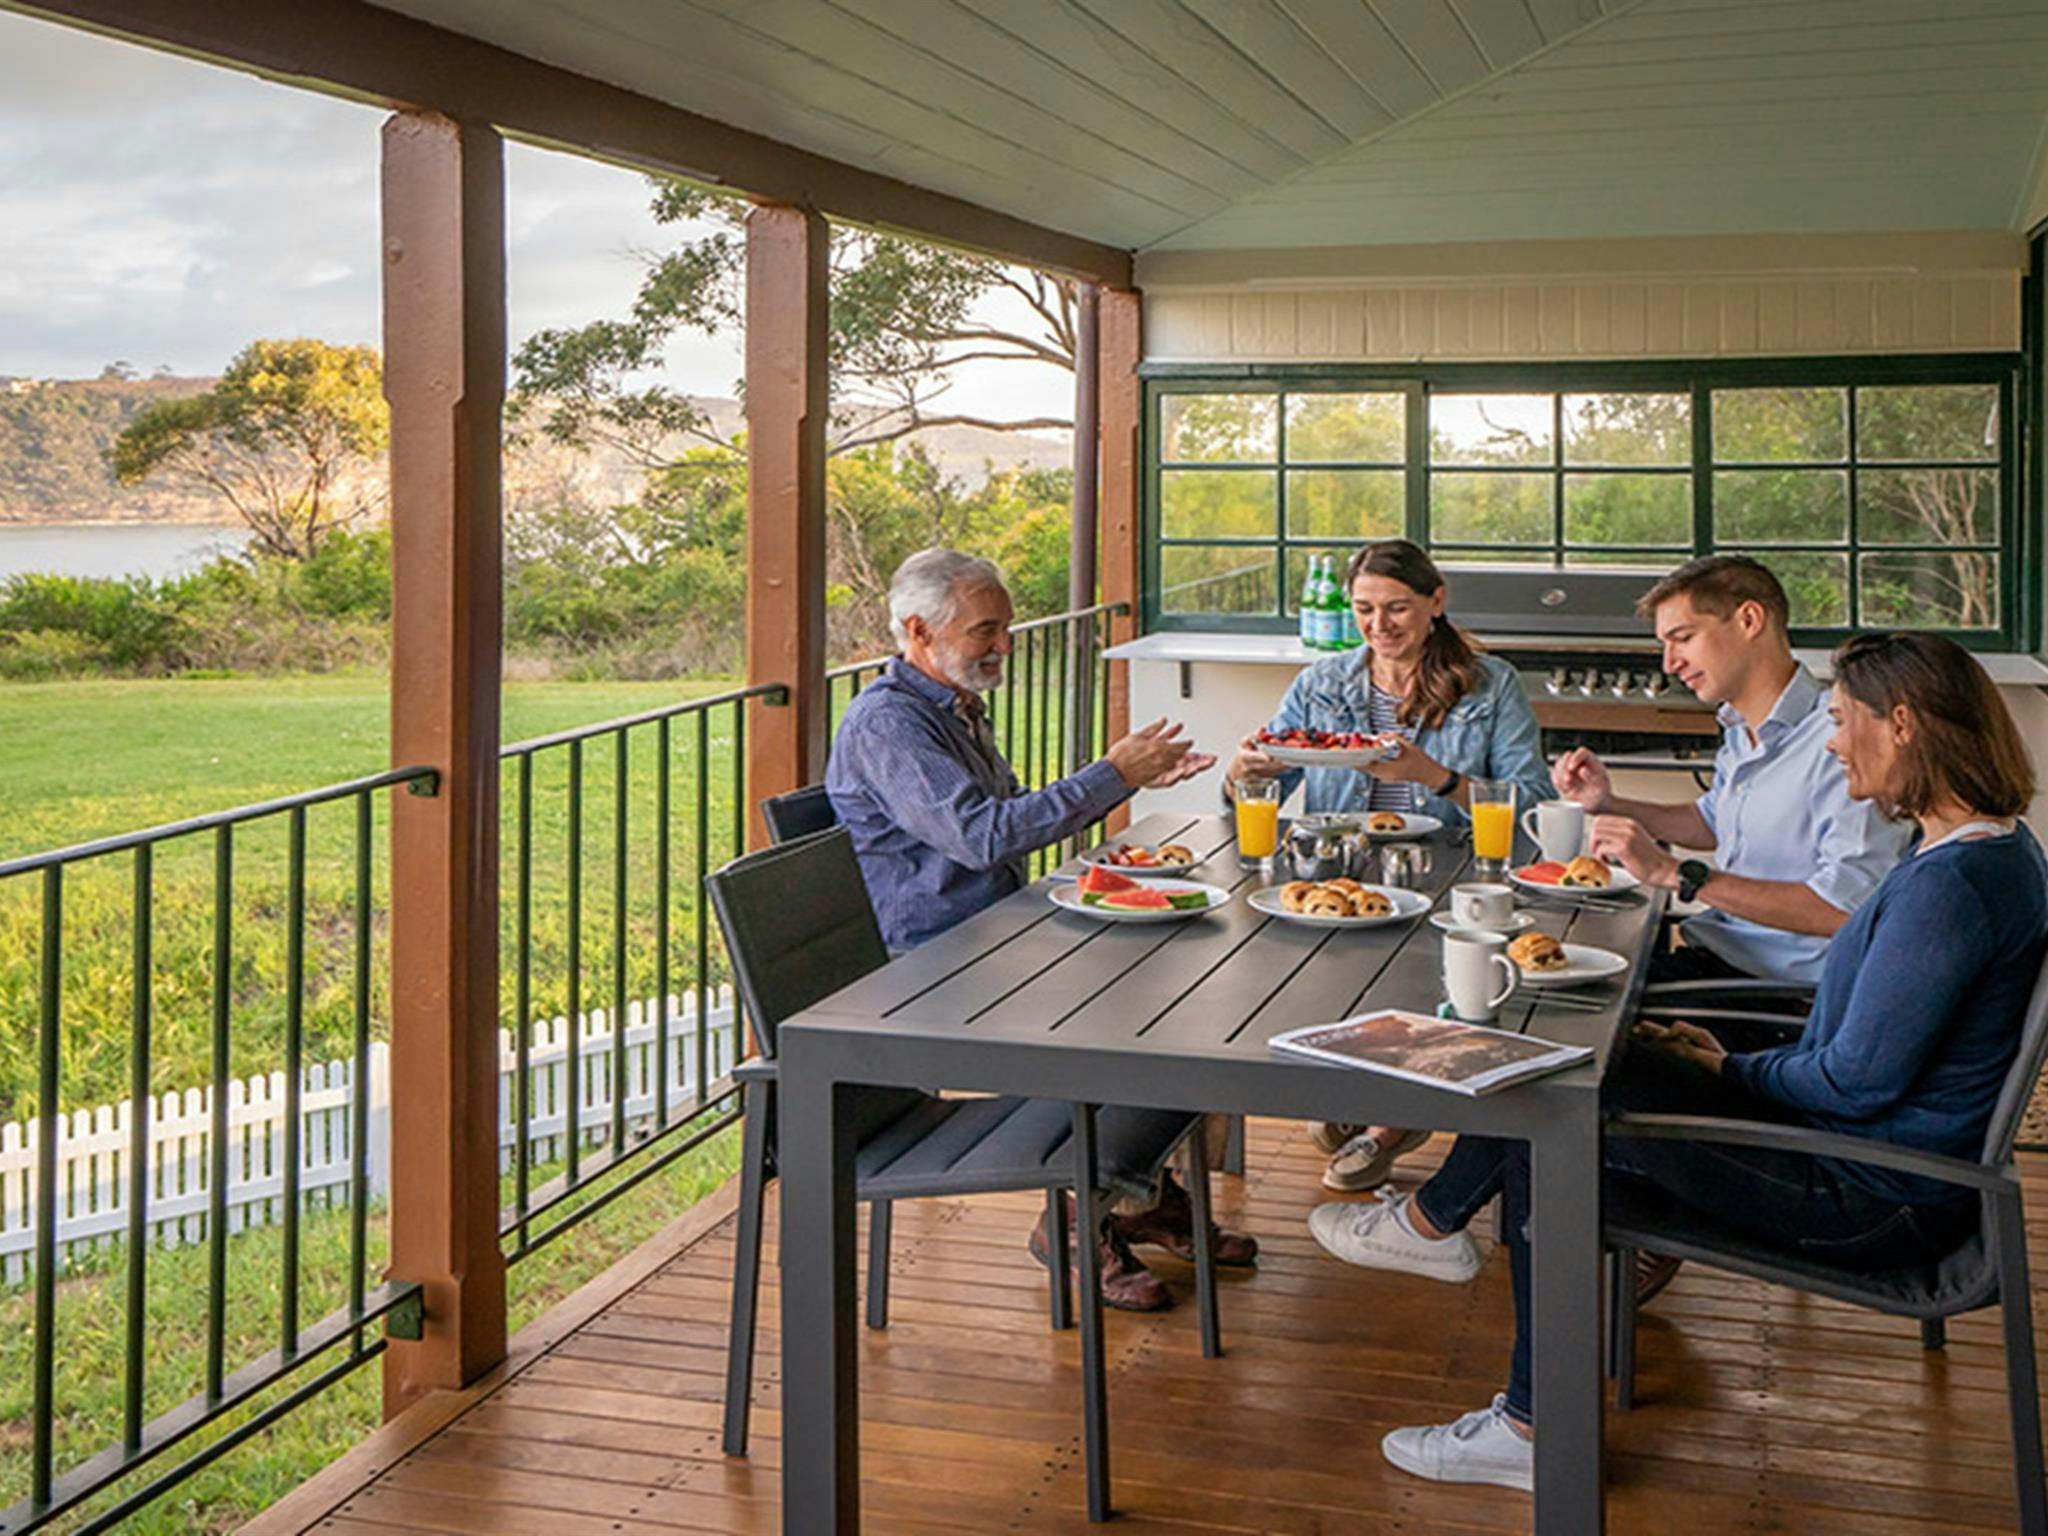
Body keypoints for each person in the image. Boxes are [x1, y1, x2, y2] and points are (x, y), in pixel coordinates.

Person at [1307, 631, 2048, 1493]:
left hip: (1870, 1198)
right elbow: (1858, 1060)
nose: (1836, 740)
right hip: (1866, 1157)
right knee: (1570, 1074)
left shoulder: (1951, 890)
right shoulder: (1981, 851)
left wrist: (1728, 1072)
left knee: (1557, 1094)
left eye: (1846, 721)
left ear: (1906, 725)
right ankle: (1485, 1330)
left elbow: (1855, 1080)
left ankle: (1492, 1345)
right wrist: (1707, 1057)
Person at [828, 547, 1253, 1311]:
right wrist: (1113, 774)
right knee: (1138, 1010)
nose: (1005, 647)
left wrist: (1121, 789)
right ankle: (1076, 1216)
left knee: (1186, 981)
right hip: (927, 965)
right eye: (985, 631)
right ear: (919, 631)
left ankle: (1134, 1193)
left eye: (1007, 629)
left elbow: (1008, 815)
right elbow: (985, 837)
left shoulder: (950, 706)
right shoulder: (889, 725)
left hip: (991, 937)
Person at [1222, 540, 1553, 1193]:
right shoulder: (1322, 683)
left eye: (1398, 608)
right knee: (1321, 989)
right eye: (1365, 609)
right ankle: (1370, 1104)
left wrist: (1434, 776)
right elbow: (1266, 785)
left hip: (1452, 875)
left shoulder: (1490, 685)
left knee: (1436, 993)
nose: (1380, 626)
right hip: (1343, 874)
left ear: (1436, 602)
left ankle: (1387, 1127)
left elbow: (1534, 807)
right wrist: (1241, 774)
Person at [1553, 555, 1909, 990]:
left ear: (1749, 619)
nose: (1669, 664)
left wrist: (1675, 873)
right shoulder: (1741, 728)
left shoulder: (1839, 742)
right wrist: (1608, 803)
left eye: (1683, 638)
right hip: (1720, 960)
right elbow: (1713, 821)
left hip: (1774, 993)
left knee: (1565, 1001)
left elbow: (1845, 909)